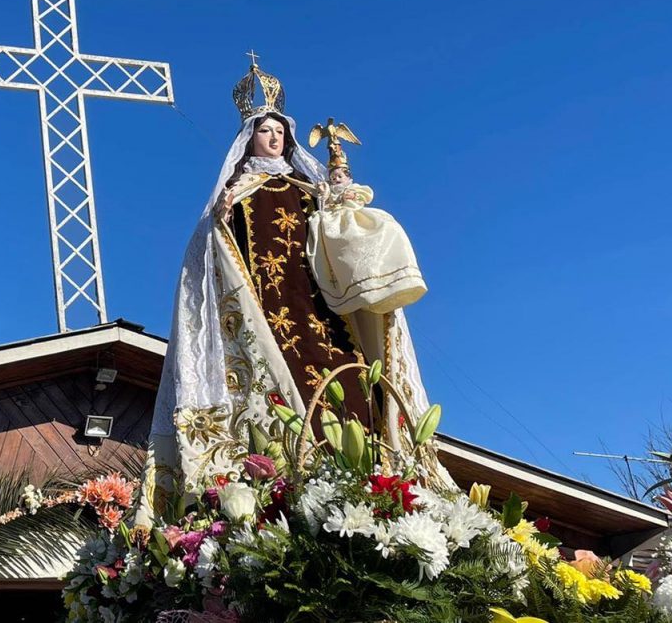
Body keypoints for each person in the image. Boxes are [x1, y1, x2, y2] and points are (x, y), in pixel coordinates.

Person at [140, 60, 453, 522]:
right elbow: (210, 255)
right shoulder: (238, 190)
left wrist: (342, 198)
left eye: (280, 131)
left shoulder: (310, 188)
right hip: (264, 309)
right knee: (282, 398)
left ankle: (374, 478)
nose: (275, 139)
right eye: (265, 131)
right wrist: (221, 218)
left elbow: (338, 237)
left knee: (349, 386)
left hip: (318, 307)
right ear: (249, 136)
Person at [306, 125, 428, 316]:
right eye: (333, 177)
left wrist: (351, 199)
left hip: (352, 217)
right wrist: (323, 197)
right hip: (334, 221)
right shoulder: (329, 191)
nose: (336, 179)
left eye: (340, 176)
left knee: (384, 227)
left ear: (348, 177)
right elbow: (322, 202)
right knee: (341, 245)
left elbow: (362, 199)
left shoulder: (355, 189)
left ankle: (382, 275)